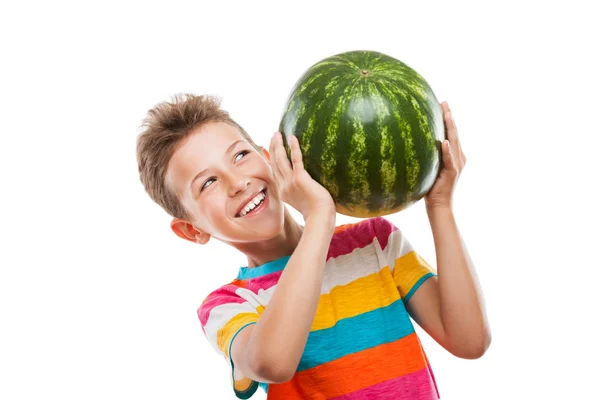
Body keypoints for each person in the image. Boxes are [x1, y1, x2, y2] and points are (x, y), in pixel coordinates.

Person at [136, 94, 491, 399]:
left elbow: (470, 341)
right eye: (208, 182)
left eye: (240, 155)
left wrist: (440, 206)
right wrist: (321, 216)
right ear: (190, 230)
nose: (237, 181)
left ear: (267, 157)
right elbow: (272, 363)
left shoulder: (374, 242)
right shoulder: (228, 305)